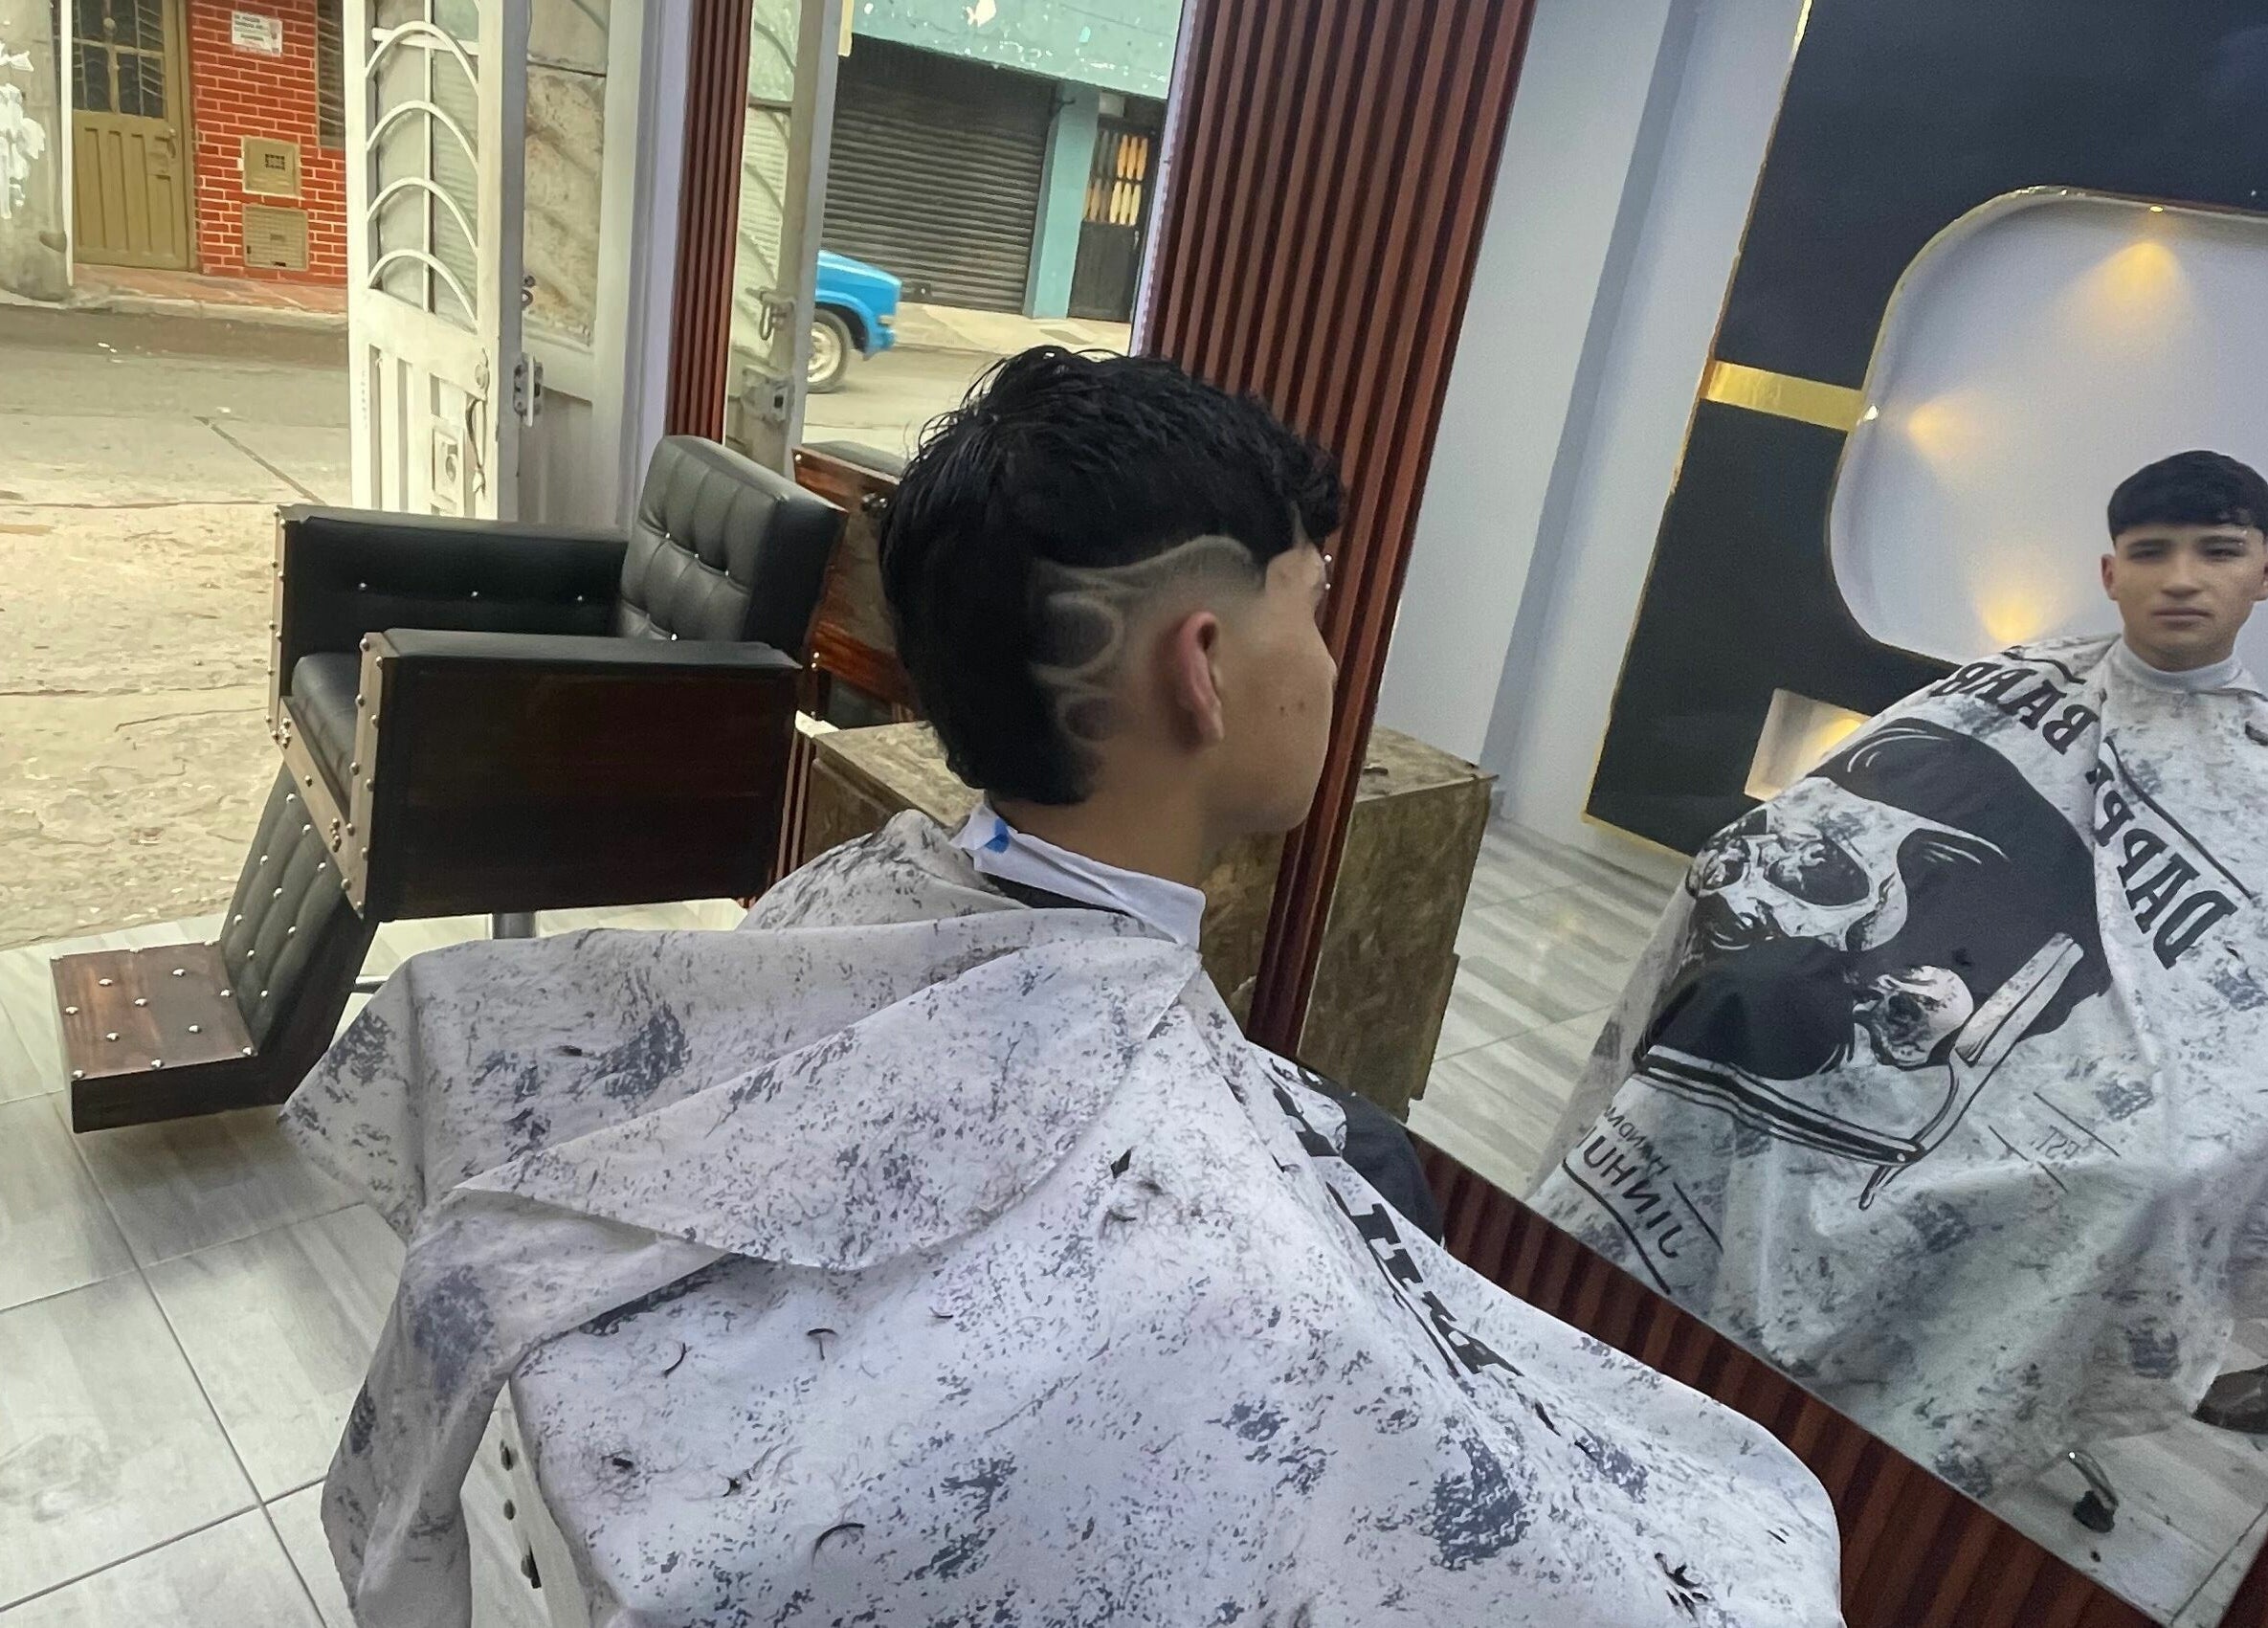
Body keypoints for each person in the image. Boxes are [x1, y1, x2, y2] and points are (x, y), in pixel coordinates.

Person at [283, 348, 1841, 1628]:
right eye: (1316, 604)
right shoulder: (1245, 1271)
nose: (1330, 662)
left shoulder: (848, 902)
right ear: (1203, 666)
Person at [1531, 449, 2268, 1503]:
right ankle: (1641, 1310)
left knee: (2136, 1179)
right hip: (1908, 986)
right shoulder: (2020, 684)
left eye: (2219, 551)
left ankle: (1902, 1438)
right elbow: (1815, 819)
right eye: (2151, 552)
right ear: (2111, 575)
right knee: (1745, 998)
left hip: (2070, 1060)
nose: (2182, 578)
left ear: (2263, 573)